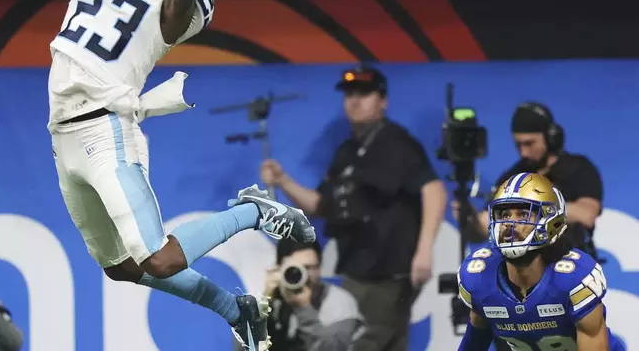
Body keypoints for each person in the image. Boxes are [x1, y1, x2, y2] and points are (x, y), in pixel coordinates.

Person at [47, 0, 316, 349]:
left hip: (105, 131)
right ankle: (236, 310)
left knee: (160, 259)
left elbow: (175, 11)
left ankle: (256, 211)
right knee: (120, 267)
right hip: (62, 134)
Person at [261, 65, 447, 351]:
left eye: (364, 93)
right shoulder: (346, 152)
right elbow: (320, 205)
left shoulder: (396, 142)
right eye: (349, 94)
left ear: (382, 100)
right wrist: (283, 180)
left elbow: (434, 190)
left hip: (386, 272)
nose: (354, 101)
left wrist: (423, 252)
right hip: (356, 270)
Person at [456, 172, 624, 350]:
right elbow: (473, 343)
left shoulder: (573, 278)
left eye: (523, 214)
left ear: (552, 223)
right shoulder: (479, 278)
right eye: (504, 215)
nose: (510, 223)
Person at [454, 101, 603, 259]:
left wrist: (524, 207)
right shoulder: (513, 177)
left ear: (551, 137)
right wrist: (471, 221)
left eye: (529, 143)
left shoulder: (578, 168)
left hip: (571, 264)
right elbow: (486, 226)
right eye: (518, 145)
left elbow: (586, 214)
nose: (524, 152)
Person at [258, 238, 364, 351]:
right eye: (294, 269)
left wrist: (304, 308)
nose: (303, 275)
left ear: (320, 267)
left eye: (309, 268)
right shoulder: (274, 300)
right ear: (279, 268)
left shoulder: (339, 304)